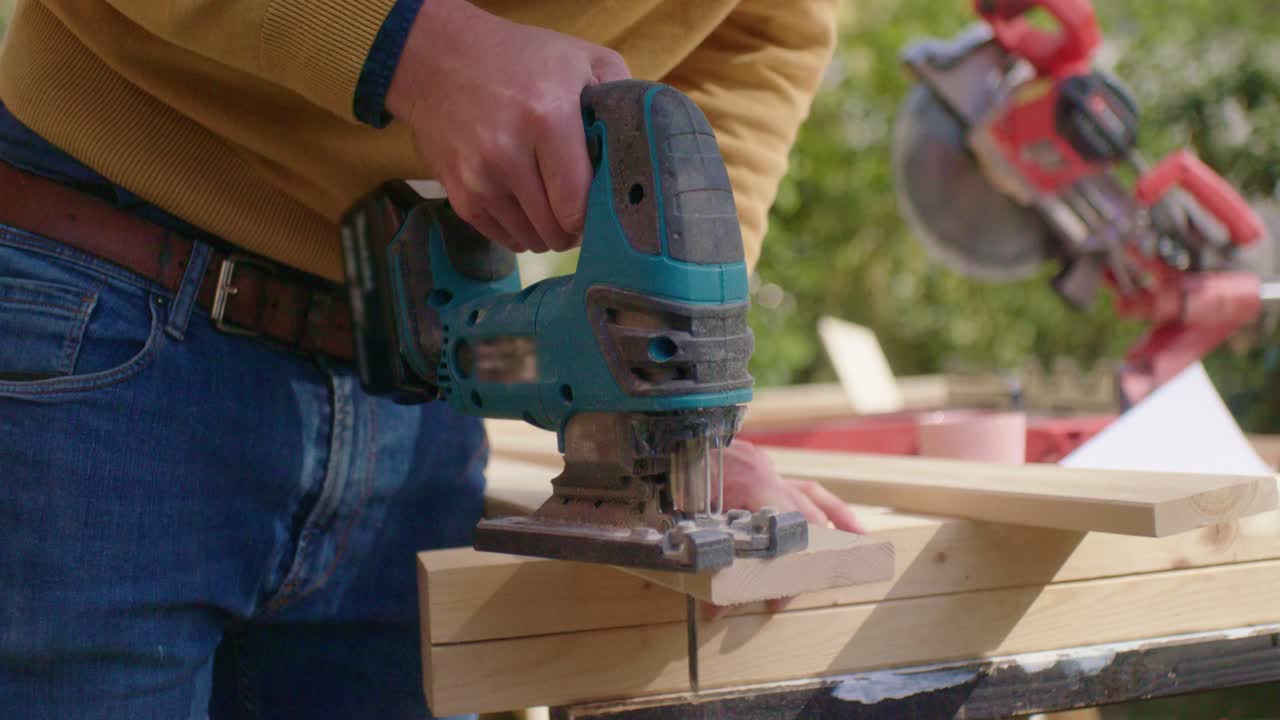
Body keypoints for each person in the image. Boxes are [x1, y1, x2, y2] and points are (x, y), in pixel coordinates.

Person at [0, 0, 858, 717]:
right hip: (111, 301)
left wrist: (678, 418)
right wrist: (410, 43)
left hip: (420, 366)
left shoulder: (485, 344)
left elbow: (762, 31)